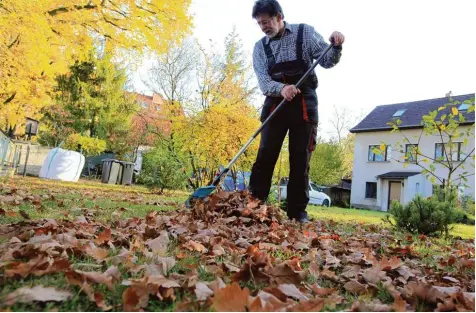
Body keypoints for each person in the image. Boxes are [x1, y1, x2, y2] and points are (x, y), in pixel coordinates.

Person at [249, 0, 344, 222]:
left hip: (304, 102)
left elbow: (328, 60)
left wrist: (336, 44)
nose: (264, 27)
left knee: (301, 157)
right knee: (265, 154)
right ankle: (254, 203)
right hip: (275, 102)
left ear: (279, 16)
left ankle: (297, 212)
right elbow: (264, 82)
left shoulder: (305, 33)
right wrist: (283, 89)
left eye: (267, 21)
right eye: (260, 23)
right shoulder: (259, 47)